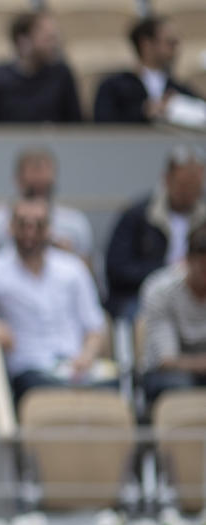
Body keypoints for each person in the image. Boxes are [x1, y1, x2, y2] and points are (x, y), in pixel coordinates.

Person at [0, 196, 109, 405]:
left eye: (38, 225)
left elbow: (95, 326)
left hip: (76, 367)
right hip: (30, 371)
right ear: (10, 227)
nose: (30, 232)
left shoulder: (72, 268)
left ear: (49, 228)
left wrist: (87, 356)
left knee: (111, 392)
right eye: (23, 224)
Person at [105, 146, 206, 320]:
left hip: (197, 295)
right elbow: (117, 270)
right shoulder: (138, 215)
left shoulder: (203, 217)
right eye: (183, 185)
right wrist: (168, 272)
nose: (189, 192)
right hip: (142, 296)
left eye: (195, 186)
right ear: (167, 179)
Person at [0, 147, 93, 262]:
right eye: (34, 183)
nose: (40, 178)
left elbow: (87, 270)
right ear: (18, 179)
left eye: (44, 183)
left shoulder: (75, 222)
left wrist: (68, 256)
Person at [0, 11, 81, 125]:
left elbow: (76, 125)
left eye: (55, 38)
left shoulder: (61, 76)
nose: (54, 45)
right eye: (48, 39)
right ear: (23, 41)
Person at [94, 16, 205, 127]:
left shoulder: (178, 89)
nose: (176, 49)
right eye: (170, 43)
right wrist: (144, 111)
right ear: (146, 44)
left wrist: (179, 108)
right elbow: (102, 124)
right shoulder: (113, 87)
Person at [138, 224, 206, 404]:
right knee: (180, 386)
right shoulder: (160, 290)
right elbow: (166, 361)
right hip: (165, 375)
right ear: (188, 260)